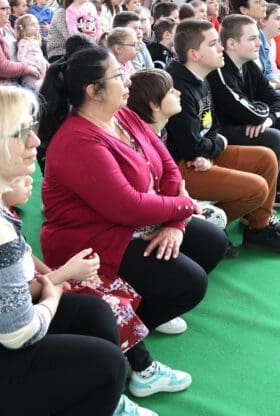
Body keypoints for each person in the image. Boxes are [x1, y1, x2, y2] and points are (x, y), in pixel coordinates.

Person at [0, 85, 150, 416]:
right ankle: (99, 398)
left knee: (94, 314)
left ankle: (103, 403)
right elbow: (19, 336)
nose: (35, 140)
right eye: (21, 133)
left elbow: (9, 280)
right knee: (108, 366)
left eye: (31, 129)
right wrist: (52, 296)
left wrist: (50, 286)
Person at [41, 46, 227, 399]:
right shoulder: (77, 140)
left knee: (211, 241)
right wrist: (184, 206)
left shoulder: (123, 115)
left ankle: (139, 321)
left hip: (137, 223)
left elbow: (168, 166)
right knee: (190, 283)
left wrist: (175, 223)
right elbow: (127, 206)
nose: (128, 80)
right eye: (117, 75)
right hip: (95, 241)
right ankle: (126, 346)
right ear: (94, 91)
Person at [166, 19, 280, 250]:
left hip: (205, 154)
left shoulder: (201, 76)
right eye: (213, 44)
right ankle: (204, 229)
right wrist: (214, 144)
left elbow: (213, 124)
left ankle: (259, 227)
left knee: (266, 158)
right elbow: (190, 148)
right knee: (257, 188)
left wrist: (215, 143)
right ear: (194, 54)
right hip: (184, 167)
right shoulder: (179, 87)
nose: (221, 48)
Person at [127, 69, 230, 232]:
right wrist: (182, 209)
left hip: (175, 197)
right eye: (170, 91)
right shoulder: (139, 143)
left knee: (217, 218)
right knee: (214, 228)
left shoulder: (162, 129)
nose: (178, 93)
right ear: (154, 105)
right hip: (156, 213)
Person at [206, 14, 280, 192]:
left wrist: (267, 119)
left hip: (246, 124)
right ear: (232, 44)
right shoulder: (220, 70)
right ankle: (265, 195)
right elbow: (249, 113)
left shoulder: (248, 65)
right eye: (252, 39)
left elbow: (275, 100)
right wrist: (261, 112)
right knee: (274, 138)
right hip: (220, 133)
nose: (259, 43)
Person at [15, 14, 49, 92]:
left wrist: (46, 63)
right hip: (31, 74)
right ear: (23, 28)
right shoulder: (23, 42)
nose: (36, 27)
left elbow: (40, 55)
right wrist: (33, 65)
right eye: (32, 25)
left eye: (37, 24)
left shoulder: (36, 41)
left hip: (41, 71)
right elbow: (20, 58)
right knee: (33, 90)